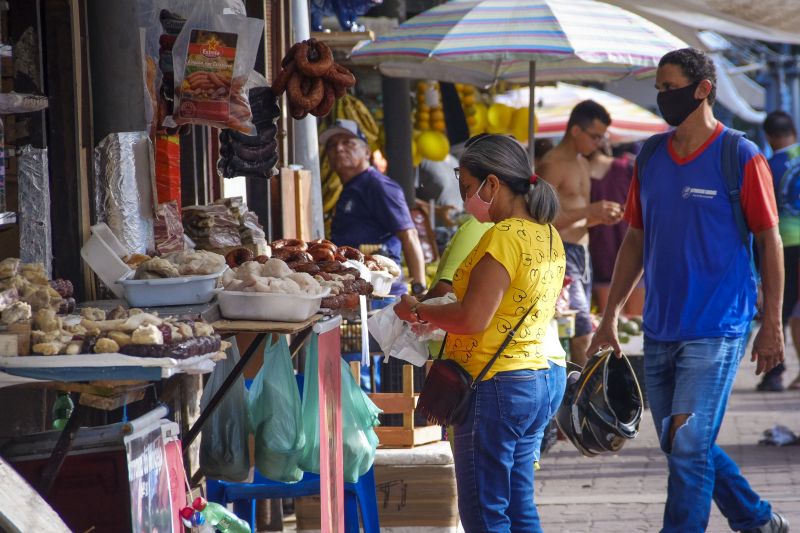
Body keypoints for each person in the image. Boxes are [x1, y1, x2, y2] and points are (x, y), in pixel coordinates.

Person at [587, 48, 787, 533]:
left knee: (688, 442)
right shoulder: (651, 156)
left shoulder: (739, 154)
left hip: (719, 326)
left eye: (669, 87)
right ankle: (757, 520)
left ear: (703, 89)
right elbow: (635, 237)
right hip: (660, 326)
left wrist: (772, 325)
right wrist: (611, 316)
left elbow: (769, 238)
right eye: (658, 89)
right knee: (683, 444)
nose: (662, 97)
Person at [394, 134, 565, 532]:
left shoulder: (504, 237)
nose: (468, 199)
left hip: (495, 385)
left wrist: (418, 309)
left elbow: (473, 319)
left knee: (486, 516)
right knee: (520, 510)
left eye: (469, 189)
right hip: (536, 378)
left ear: (493, 184)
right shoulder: (548, 233)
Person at [540, 100, 622, 365]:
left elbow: (577, 217)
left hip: (580, 253)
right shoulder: (552, 164)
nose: (598, 143)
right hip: (560, 253)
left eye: (602, 138)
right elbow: (540, 220)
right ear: (576, 130)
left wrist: (599, 217)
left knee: (579, 328)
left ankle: (578, 391)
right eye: (595, 136)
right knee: (581, 331)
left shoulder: (582, 163)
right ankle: (580, 396)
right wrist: (590, 211)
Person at [322, 119, 427, 296]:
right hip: (357, 291)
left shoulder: (378, 185)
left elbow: (410, 235)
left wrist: (419, 288)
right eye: (332, 145)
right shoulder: (350, 188)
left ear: (367, 152)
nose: (338, 149)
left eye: (347, 142)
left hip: (381, 294)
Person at [759, 110, 800, 391]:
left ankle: (774, 372)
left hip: (784, 244)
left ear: (770, 137)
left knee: (779, 309)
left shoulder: (769, 165)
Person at [588, 140, 644, 315]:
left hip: (601, 256)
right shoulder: (627, 168)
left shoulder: (581, 173)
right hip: (634, 254)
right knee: (635, 324)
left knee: (609, 323)